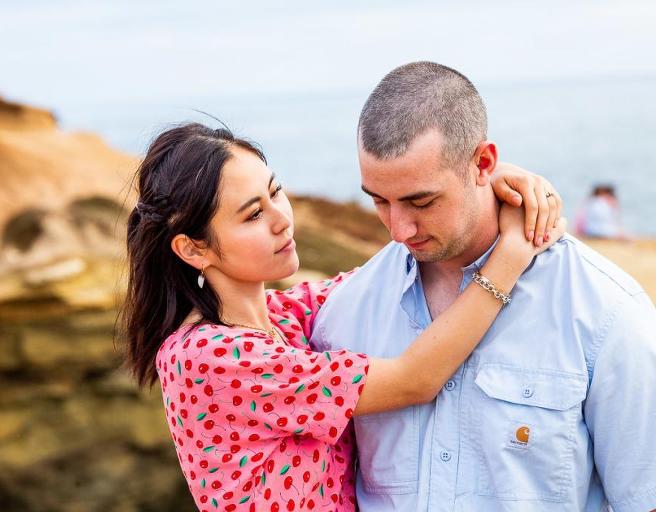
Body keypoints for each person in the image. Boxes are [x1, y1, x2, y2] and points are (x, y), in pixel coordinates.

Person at [118, 122, 564, 511]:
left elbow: (387, 270)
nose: (282, 220)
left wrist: (477, 184)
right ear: (192, 248)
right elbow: (416, 379)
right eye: (253, 214)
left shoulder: (283, 318)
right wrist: (512, 255)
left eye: (275, 192)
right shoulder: (205, 357)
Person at [311, 61, 656, 512]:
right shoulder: (343, 311)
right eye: (379, 200)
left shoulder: (606, 312)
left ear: (484, 163)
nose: (398, 229)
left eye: (421, 201)